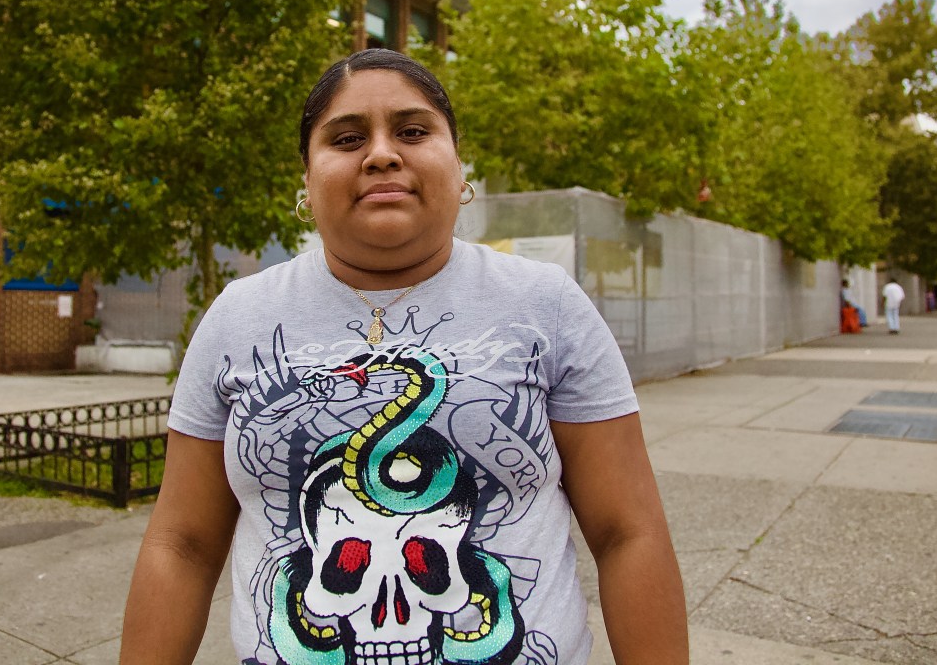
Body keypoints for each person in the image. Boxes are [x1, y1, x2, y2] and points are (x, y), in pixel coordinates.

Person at [121, 50, 688, 664]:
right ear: (307, 183)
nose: (383, 153)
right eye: (346, 138)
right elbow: (181, 545)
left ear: (459, 166)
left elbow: (628, 534)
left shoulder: (545, 304)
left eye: (414, 131)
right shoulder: (238, 317)